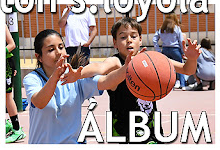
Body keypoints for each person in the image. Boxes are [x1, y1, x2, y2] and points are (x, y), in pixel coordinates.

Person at [62, 17, 201, 143]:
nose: (129, 40)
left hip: (151, 129)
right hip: (124, 132)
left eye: (133, 36)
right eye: (123, 37)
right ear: (115, 43)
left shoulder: (152, 59)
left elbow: (187, 70)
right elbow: (100, 67)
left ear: (140, 39)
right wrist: (78, 74)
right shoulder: (116, 62)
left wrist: (193, 58)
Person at [23, 29, 133, 144]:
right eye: (51, 50)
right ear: (39, 57)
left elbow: (106, 81)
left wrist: (126, 68)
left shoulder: (74, 76)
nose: (58, 52)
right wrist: (55, 77)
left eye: (61, 47)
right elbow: (39, 102)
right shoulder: (32, 79)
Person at [5, 25, 26, 143]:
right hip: (6, 64)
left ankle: (17, 129)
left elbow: (12, 44)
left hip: (7, 64)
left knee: (7, 96)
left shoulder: (2, 26)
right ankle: (7, 123)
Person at [153, 13, 185, 89]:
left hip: (165, 49)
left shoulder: (161, 28)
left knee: (168, 68)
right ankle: (183, 85)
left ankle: (170, 85)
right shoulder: (176, 28)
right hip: (175, 49)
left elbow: (154, 39)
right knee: (181, 67)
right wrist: (183, 52)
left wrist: (158, 50)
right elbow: (181, 40)